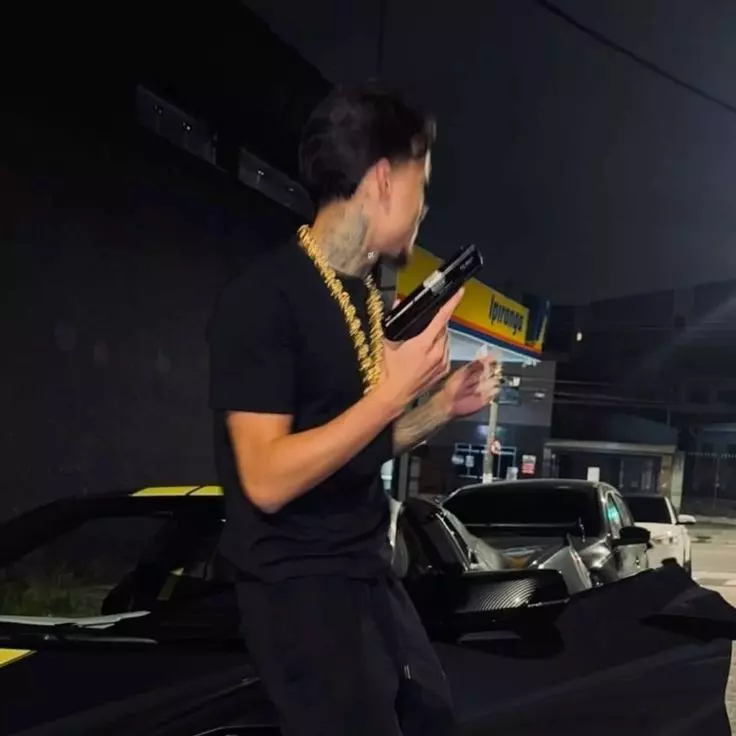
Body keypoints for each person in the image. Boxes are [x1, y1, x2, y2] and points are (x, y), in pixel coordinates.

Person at [208, 83, 500, 736]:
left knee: (432, 717)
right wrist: (392, 393)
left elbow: (356, 446)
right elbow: (267, 477)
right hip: (299, 592)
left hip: (367, 574)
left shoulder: (366, 298)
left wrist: (439, 407)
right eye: (422, 184)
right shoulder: (264, 298)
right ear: (383, 180)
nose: (425, 206)